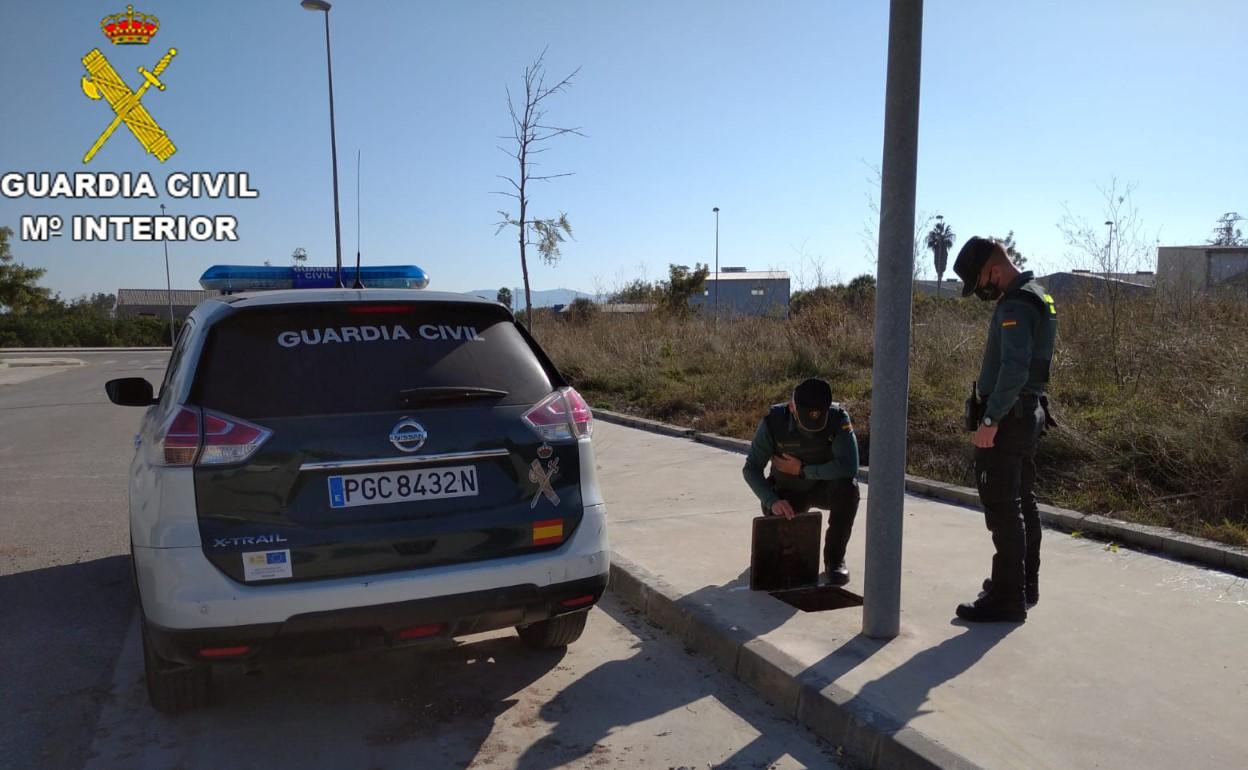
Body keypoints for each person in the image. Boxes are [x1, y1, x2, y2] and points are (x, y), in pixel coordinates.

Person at [951, 236, 1058, 623]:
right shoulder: (1037, 295)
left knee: (1002, 508)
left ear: (992, 270)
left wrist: (990, 419)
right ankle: (1021, 584)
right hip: (1028, 412)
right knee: (1022, 502)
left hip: (1009, 417)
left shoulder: (1015, 304)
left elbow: (1014, 367)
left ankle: (1007, 599)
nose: (981, 292)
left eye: (979, 283)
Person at [742, 378, 861, 586]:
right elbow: (751, 468)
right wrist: (772, 500)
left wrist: (802, 471)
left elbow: (849, 466)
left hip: (824, 488)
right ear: (792, 407)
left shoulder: (838, 418)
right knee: (786, 563)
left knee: (849, 489)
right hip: (788, 492)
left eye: (818, 421)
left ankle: (834, 560)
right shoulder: (773, 422)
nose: (812, 428)